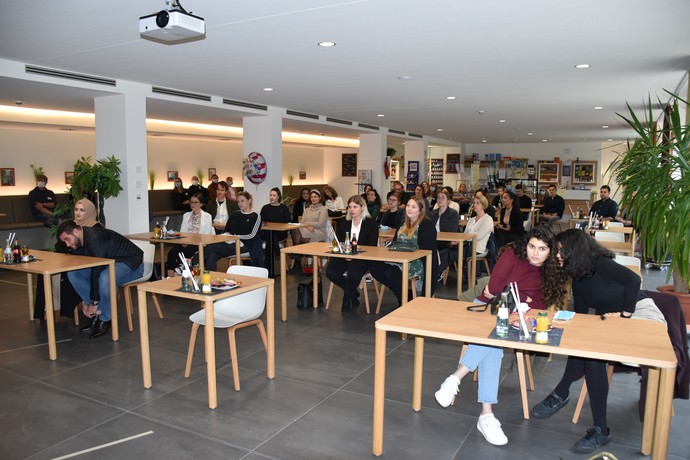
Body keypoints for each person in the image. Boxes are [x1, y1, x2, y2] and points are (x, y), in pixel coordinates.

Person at [434, 226, 565, 446]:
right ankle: (486, 415)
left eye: (542, 249)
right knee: (495, 340)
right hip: (487, 308)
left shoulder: (550, 272)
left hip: (515, 317)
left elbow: (540, 304)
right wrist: (523, 299)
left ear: (550, 252)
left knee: (496, 337)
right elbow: (493, 290)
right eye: (532, 246)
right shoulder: (512, 254)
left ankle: (456, 378)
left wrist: (519, 299)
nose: (535, 253)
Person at [530, 229, 641, 454]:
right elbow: (580, 315)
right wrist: (568, 330)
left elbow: (633, 280)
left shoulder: (601, 264)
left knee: (592, 358)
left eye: (560, 251)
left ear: (574, 250)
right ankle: (567, 399)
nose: (557, 255)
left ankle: (596, 425)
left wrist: (626, 315)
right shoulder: (578, 275)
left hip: (637, 313)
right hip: (609, 320)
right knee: (584, 349)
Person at [57, 220, 144, 338]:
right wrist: (86, 301)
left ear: (76, 232)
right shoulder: (80, 240)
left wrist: (94, 301)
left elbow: (97, 270)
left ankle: (105, 318)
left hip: (132, 264)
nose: (67, 244)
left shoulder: (95, 239)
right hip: (110, 264)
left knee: (105, 277)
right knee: (73, 273)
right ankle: (96, 312)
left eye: (67, 239)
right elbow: (84, 265)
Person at [33, 198, 102, 320]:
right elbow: (59, 247)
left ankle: (60, 309)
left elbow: (94, 254)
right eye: (76, 209)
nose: (78, 213)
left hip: (87, 266)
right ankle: (48, 310)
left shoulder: (97, 229)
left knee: (62, 275)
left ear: (90, 212)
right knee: (45, 273)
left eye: (82, 210)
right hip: (67, 261)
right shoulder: (69, 226)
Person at [370, 196, 439, 305]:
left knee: (390, 273)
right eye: (408, 206)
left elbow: (427, 251)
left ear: (420, 210)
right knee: (375, 268)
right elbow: (395, 243)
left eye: (413, 207)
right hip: (399, 260)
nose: (409, 209)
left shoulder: (426, 225)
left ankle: (404, 300)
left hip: (417, 262)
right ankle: (405, 296)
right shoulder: (402, 225)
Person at [326, 195, 379, 312]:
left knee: (353, 272)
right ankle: (353, 293)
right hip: (345, 255)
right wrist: (344, 249)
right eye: (349, 207)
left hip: (363, 257)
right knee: (330, 271)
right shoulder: (344, 222)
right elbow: (340, 241)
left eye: (355, 207)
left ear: (362, 207)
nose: (351, 210)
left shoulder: (370, 224)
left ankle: (346, 298)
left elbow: (372, 247)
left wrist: (355, 252)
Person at [196, 191, 262, 271]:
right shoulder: (234, 214)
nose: (240, 204)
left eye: (242, 201)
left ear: (249, 201)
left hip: (246, 245)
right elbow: (226, 231)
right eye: (238, 201)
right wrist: (228, 237)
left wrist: (236, 237)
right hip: (230, 243)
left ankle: (190, 265)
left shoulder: (255, 216)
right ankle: (209, 281)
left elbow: (252, 235)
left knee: (211, 247)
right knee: (212, 255)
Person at [165, 193, 214, 277]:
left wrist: (192, 241)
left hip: (198, 243)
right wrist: (184, 241)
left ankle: (179, 271)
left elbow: (206, 235)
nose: (193, 204)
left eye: (196, 202)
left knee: (186, 252)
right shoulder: (186, 215)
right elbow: (182, 232)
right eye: (191, 202)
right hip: (186, 241)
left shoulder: (207, 216)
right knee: (172, 253)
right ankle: (170, 276)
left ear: (201, 204)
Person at [429, 190, 460, 276]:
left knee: (441, 253)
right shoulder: (433, 213)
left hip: (445, 242)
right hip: (433, 241)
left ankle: (436, 274)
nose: (440, 200)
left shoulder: (453, 213)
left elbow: (452, 231)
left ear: (448, 201)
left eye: (443, 198)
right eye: (438, 197)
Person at [260, 187, 291, 263]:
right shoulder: (265, 208)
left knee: (272, 236)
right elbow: (261, 221)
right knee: (270, 236)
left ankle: (268, 259)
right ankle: (276, 254)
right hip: (267, 232)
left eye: (274, 195)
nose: (272, 197)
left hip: (280, 232)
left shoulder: (284, 208)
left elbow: (288, 221)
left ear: (278, 197)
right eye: (270, 195)